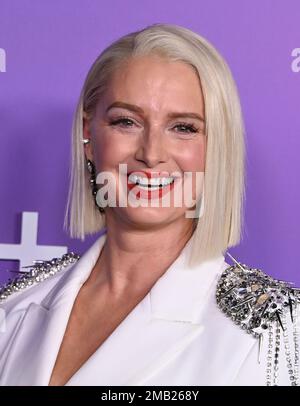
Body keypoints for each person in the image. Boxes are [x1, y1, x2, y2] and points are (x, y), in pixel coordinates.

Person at [0, 23, 299, 386]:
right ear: (88, 137)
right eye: (126, 122)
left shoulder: (277, 332)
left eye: (183, 128)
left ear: (217, 147)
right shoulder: (14, 308)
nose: (151, 154)